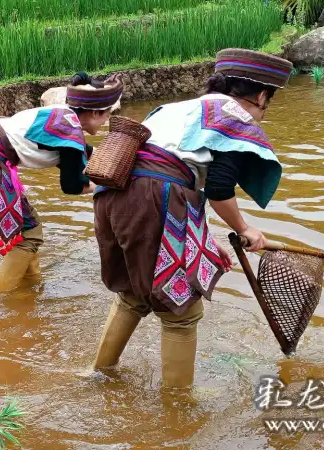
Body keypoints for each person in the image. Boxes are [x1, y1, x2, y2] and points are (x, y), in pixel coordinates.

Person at [91, 49, 293, 389]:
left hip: (113, 196)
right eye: (266, 103)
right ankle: (178, 412)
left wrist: (205, 240)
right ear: (261, 95)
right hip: (152, 199)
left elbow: (178, 176)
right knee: (180, 313)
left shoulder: (177, 109)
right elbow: (217, 188)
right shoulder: (232, 116)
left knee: (132, 295)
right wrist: (244, 228)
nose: (262, 112)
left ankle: (98, 374)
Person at [0, 73, 122, 293]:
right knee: (30, 235)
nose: (106, 122)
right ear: (93, 112)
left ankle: (30, 293)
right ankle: (3, 303)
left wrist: (111, 158)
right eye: (107, 115)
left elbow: (78, 151)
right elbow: (71, 185)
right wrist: (106, 186)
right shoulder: (71, 135)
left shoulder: (62, 116)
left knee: (26, 230)